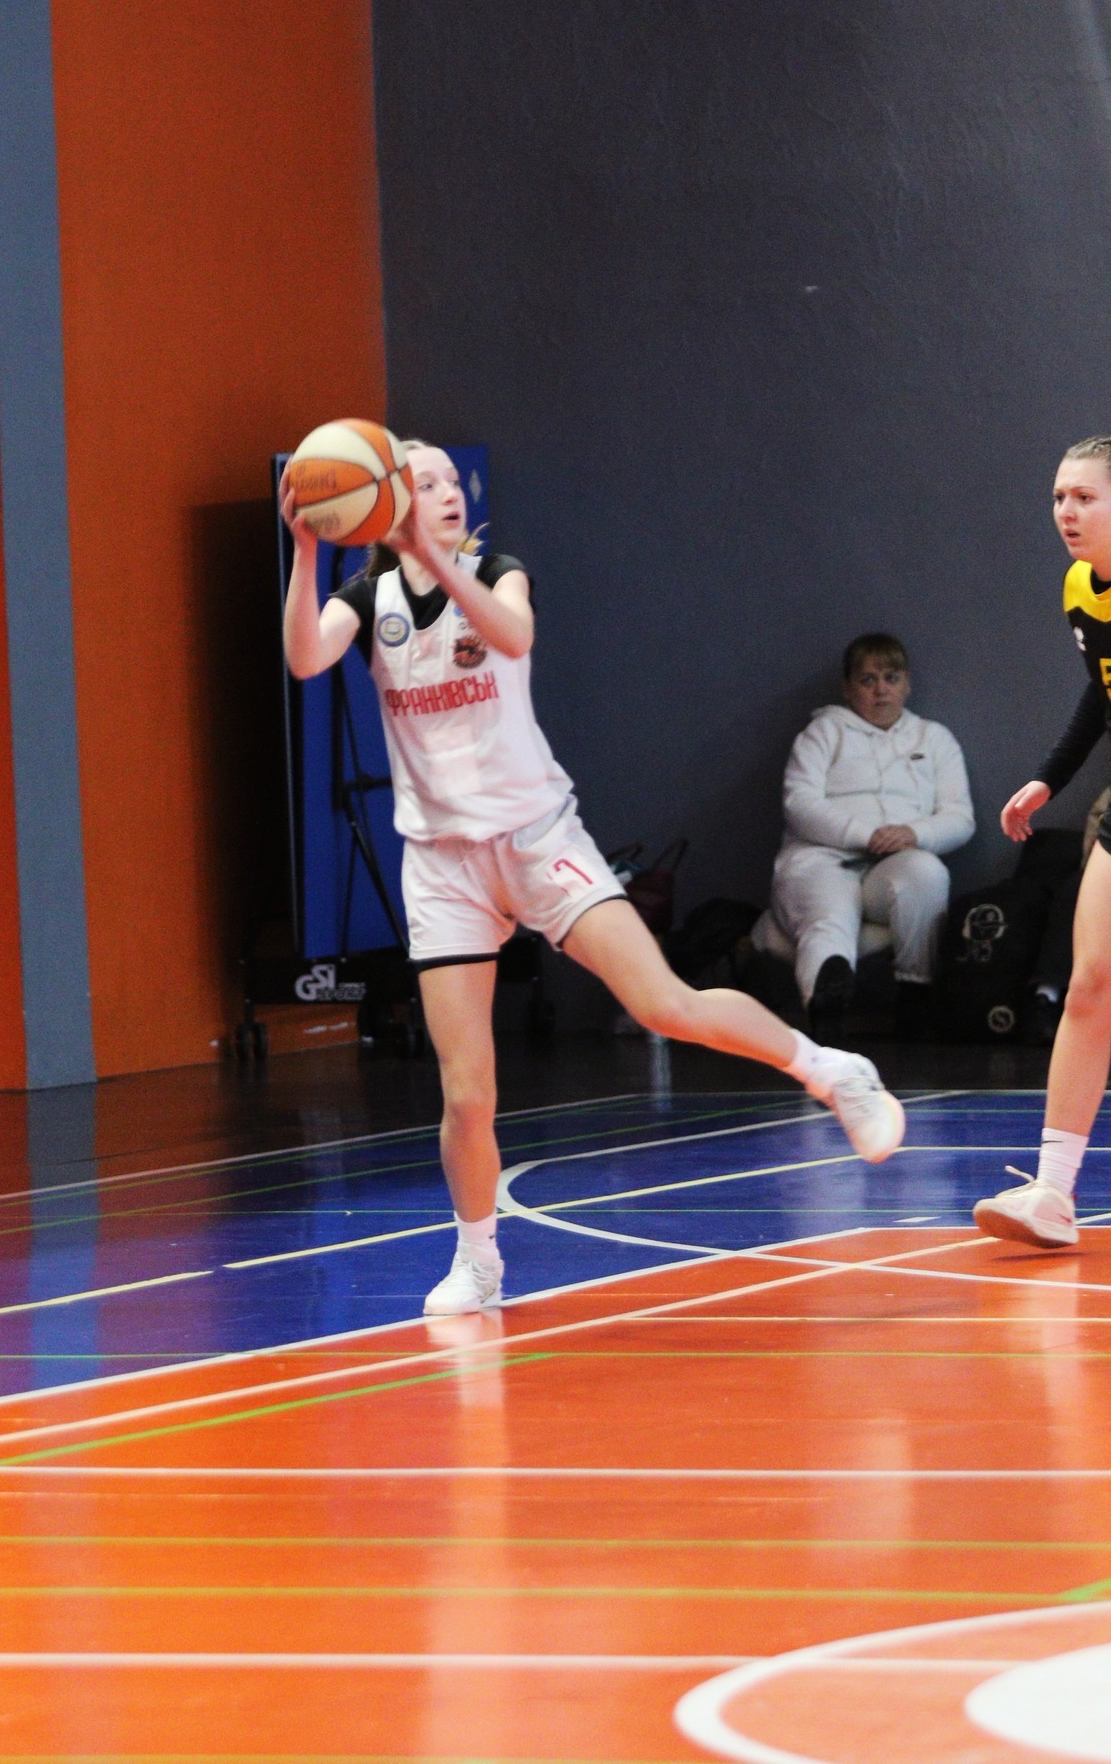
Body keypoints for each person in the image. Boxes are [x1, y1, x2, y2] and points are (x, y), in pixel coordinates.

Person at [280, 439, 907, 1314]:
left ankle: (830, 1070)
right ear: (386, 503)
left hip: (537, 839)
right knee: (467, 1093)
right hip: (443, 865)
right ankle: (477, 1260)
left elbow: (513, 634)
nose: (450, 493)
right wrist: (308, 548)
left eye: (454, 481)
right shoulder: (367, 600)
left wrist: (434, 558)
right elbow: (305, 658)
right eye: (426, 484)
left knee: (663, 1004)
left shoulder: (497, 573)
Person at [975, 435, 1111, 1250]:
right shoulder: (1078, 587)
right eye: (1059, 496)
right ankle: (1052, 1195)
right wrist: (1047, 779)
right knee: (1089, 983)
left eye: (1084, 497)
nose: (1065, 511)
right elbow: (1100, 695)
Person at [767, 635, 974, 1036]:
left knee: (926, 872)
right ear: (848, 689)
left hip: (893, 863)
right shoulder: (823, 732)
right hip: (822, 857)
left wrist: (913, 833)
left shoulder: (934, 739)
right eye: (868, 680)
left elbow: (960, 817)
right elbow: (799, 802)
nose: (881, 689)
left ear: (907, 685)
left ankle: (916, 998)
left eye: (891, 678)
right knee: (831, 911)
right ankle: (826, 1009)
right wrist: (865, 834)